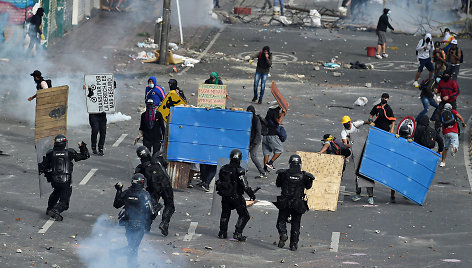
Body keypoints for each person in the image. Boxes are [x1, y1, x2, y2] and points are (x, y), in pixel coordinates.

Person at [111, 174, 160, 267]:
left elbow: (116, 204)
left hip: (128, 224)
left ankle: (132, 264)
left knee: (133, 245)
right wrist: (157, 208)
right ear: (142, 183)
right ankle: (114, 253)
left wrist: (119, 190)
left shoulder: (127, 192)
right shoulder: (144, 195)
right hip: (138, 225)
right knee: (132, 247)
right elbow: (152, 213)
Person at [38, 135, 90, 221]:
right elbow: (85, 156)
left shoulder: (50, 153)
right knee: (65, 202)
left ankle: (49, 209)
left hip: (54, 180)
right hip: (65, 180)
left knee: (56, 192)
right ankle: (56, 210)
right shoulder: (70, 152)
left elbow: (43, 167)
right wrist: (82, 146)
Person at [275, 155, 314, 251]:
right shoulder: (305, 176)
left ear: (290, 163)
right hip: (298, 202)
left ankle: (283, 234)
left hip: (285, 201)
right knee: (296, 224)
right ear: (299, 164)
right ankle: (293, 244)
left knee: (281, 220)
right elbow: (308, 187)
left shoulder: (283, 174)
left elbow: (278, 184)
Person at [215, 149, 256, 241]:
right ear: (240, 159)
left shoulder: (223, 168)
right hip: (236, 196)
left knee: (225, 214)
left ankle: (222, 232)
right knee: (244, 215)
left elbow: (219, 181)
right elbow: (245, 186)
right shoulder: (240, 170)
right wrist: (252, 195)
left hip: (225, 196)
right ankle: (238, 233)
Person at [135, 146, 174, 236]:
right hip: (165, 185)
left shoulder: (140, 168)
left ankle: (146, 225)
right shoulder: (158, 159)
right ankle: (164, 223)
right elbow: (165, 164)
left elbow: (139, 181)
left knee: (151, 207)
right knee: (169, 205)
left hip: (153, 188)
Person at [340, 116, 374, 204]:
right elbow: (345, 144)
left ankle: (370, 196)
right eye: (344, 124)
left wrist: (371, 122)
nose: (346, 125)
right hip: (356, 152)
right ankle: (358, 194)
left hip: (365, 150)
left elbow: (364, 122)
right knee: (358, 174)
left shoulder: (355, 124)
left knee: (367, 174)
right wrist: (353, 145)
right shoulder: (344, 132)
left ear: (350, 122)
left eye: (347, 124)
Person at [262, 105, 286, 172]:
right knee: (279, 150)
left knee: (266, 152)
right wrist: (283, 113)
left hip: (265, 136)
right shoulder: (275, 112)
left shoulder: (269, 112)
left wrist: (283, 113)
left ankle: (265, 168)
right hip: (272, 136)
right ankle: (270, 163)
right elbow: (279, 121)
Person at [247, 105, 266, 178]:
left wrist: (254, 143)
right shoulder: (247, 119)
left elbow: (258, 132)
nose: (249, 113)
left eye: (251, 112)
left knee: (253, 156)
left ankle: (262, 172)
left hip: (255, 141)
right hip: (249, 140)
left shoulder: (256, 120)